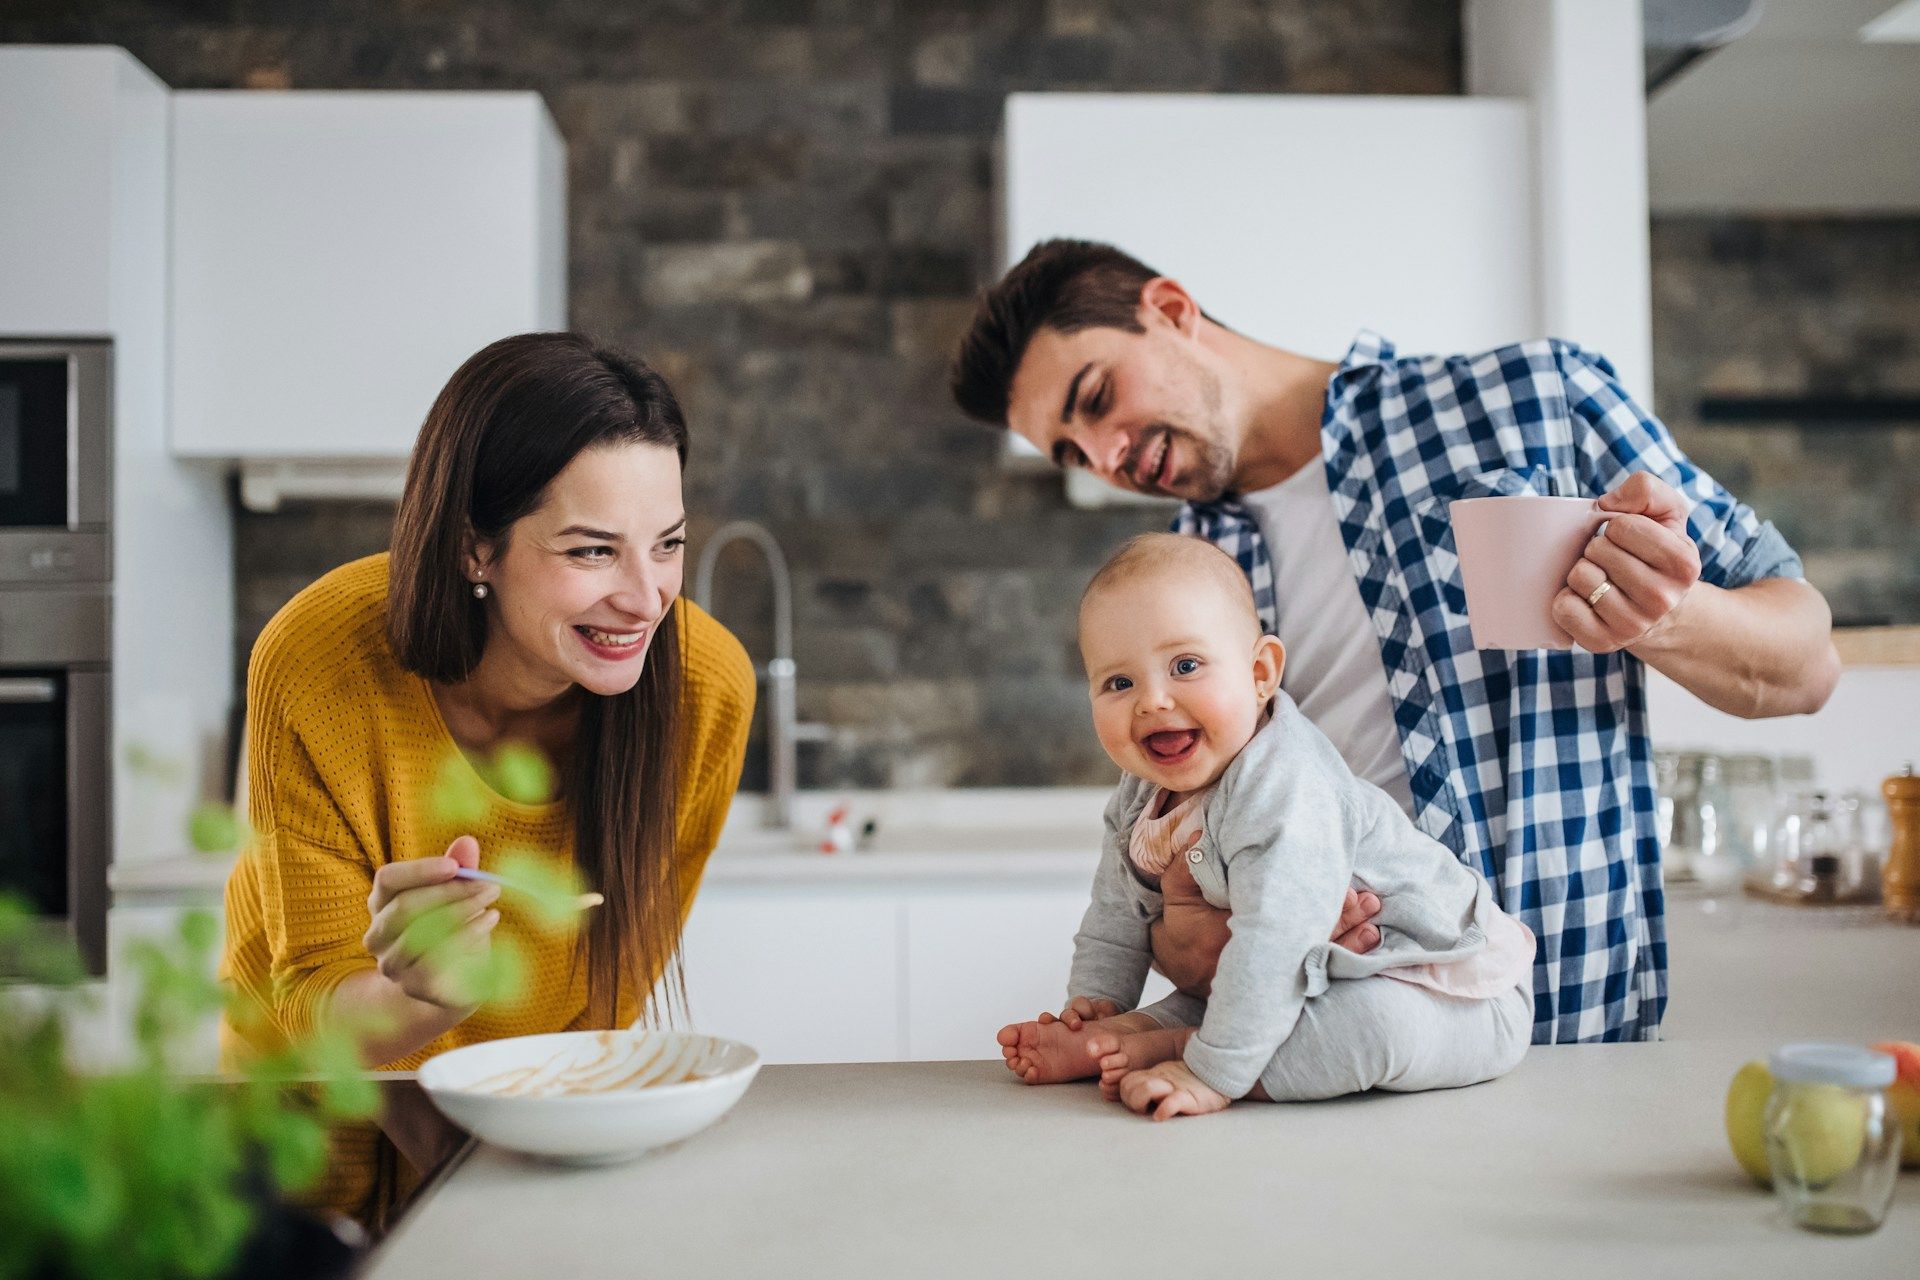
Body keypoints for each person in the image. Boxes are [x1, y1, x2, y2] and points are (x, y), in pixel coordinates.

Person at [953, 240, 1839, 1043]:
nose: (1106, 457)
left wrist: (1664, 616)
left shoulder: (1531, 398)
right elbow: (1182, 871)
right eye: (1072, 451)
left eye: (1097, 398)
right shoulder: (1181, 579)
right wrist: (1189, 937)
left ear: (1174, 310)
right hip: (1316, 1047)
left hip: (1570, 1026)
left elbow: (1805, 666)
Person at [219, 332, 754, 1217]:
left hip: (512, 1133)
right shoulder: (319, 661)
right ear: (476, 549)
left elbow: (603, 1006)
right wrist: (419, 997)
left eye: (667, 544)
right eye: (591, 551)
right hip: (301, 1135)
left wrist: (500, 1176)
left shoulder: (705, 692)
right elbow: (311, 1010)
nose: (646, 596)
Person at [998, 535, 1533, 1118]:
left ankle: (1191, 1050)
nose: (1152, 701)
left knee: (1371, 1026)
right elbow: (1113, 917)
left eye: (1185, 665)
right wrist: (1095, 1003)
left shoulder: (1284, 784)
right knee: (1230, 991)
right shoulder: (1139, 798)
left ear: (1260, 673)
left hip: (1446, 986)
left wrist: (1213, 1072)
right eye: (1118, 683)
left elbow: (1275, 942)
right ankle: (1118, 1035)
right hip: (1305, 978)